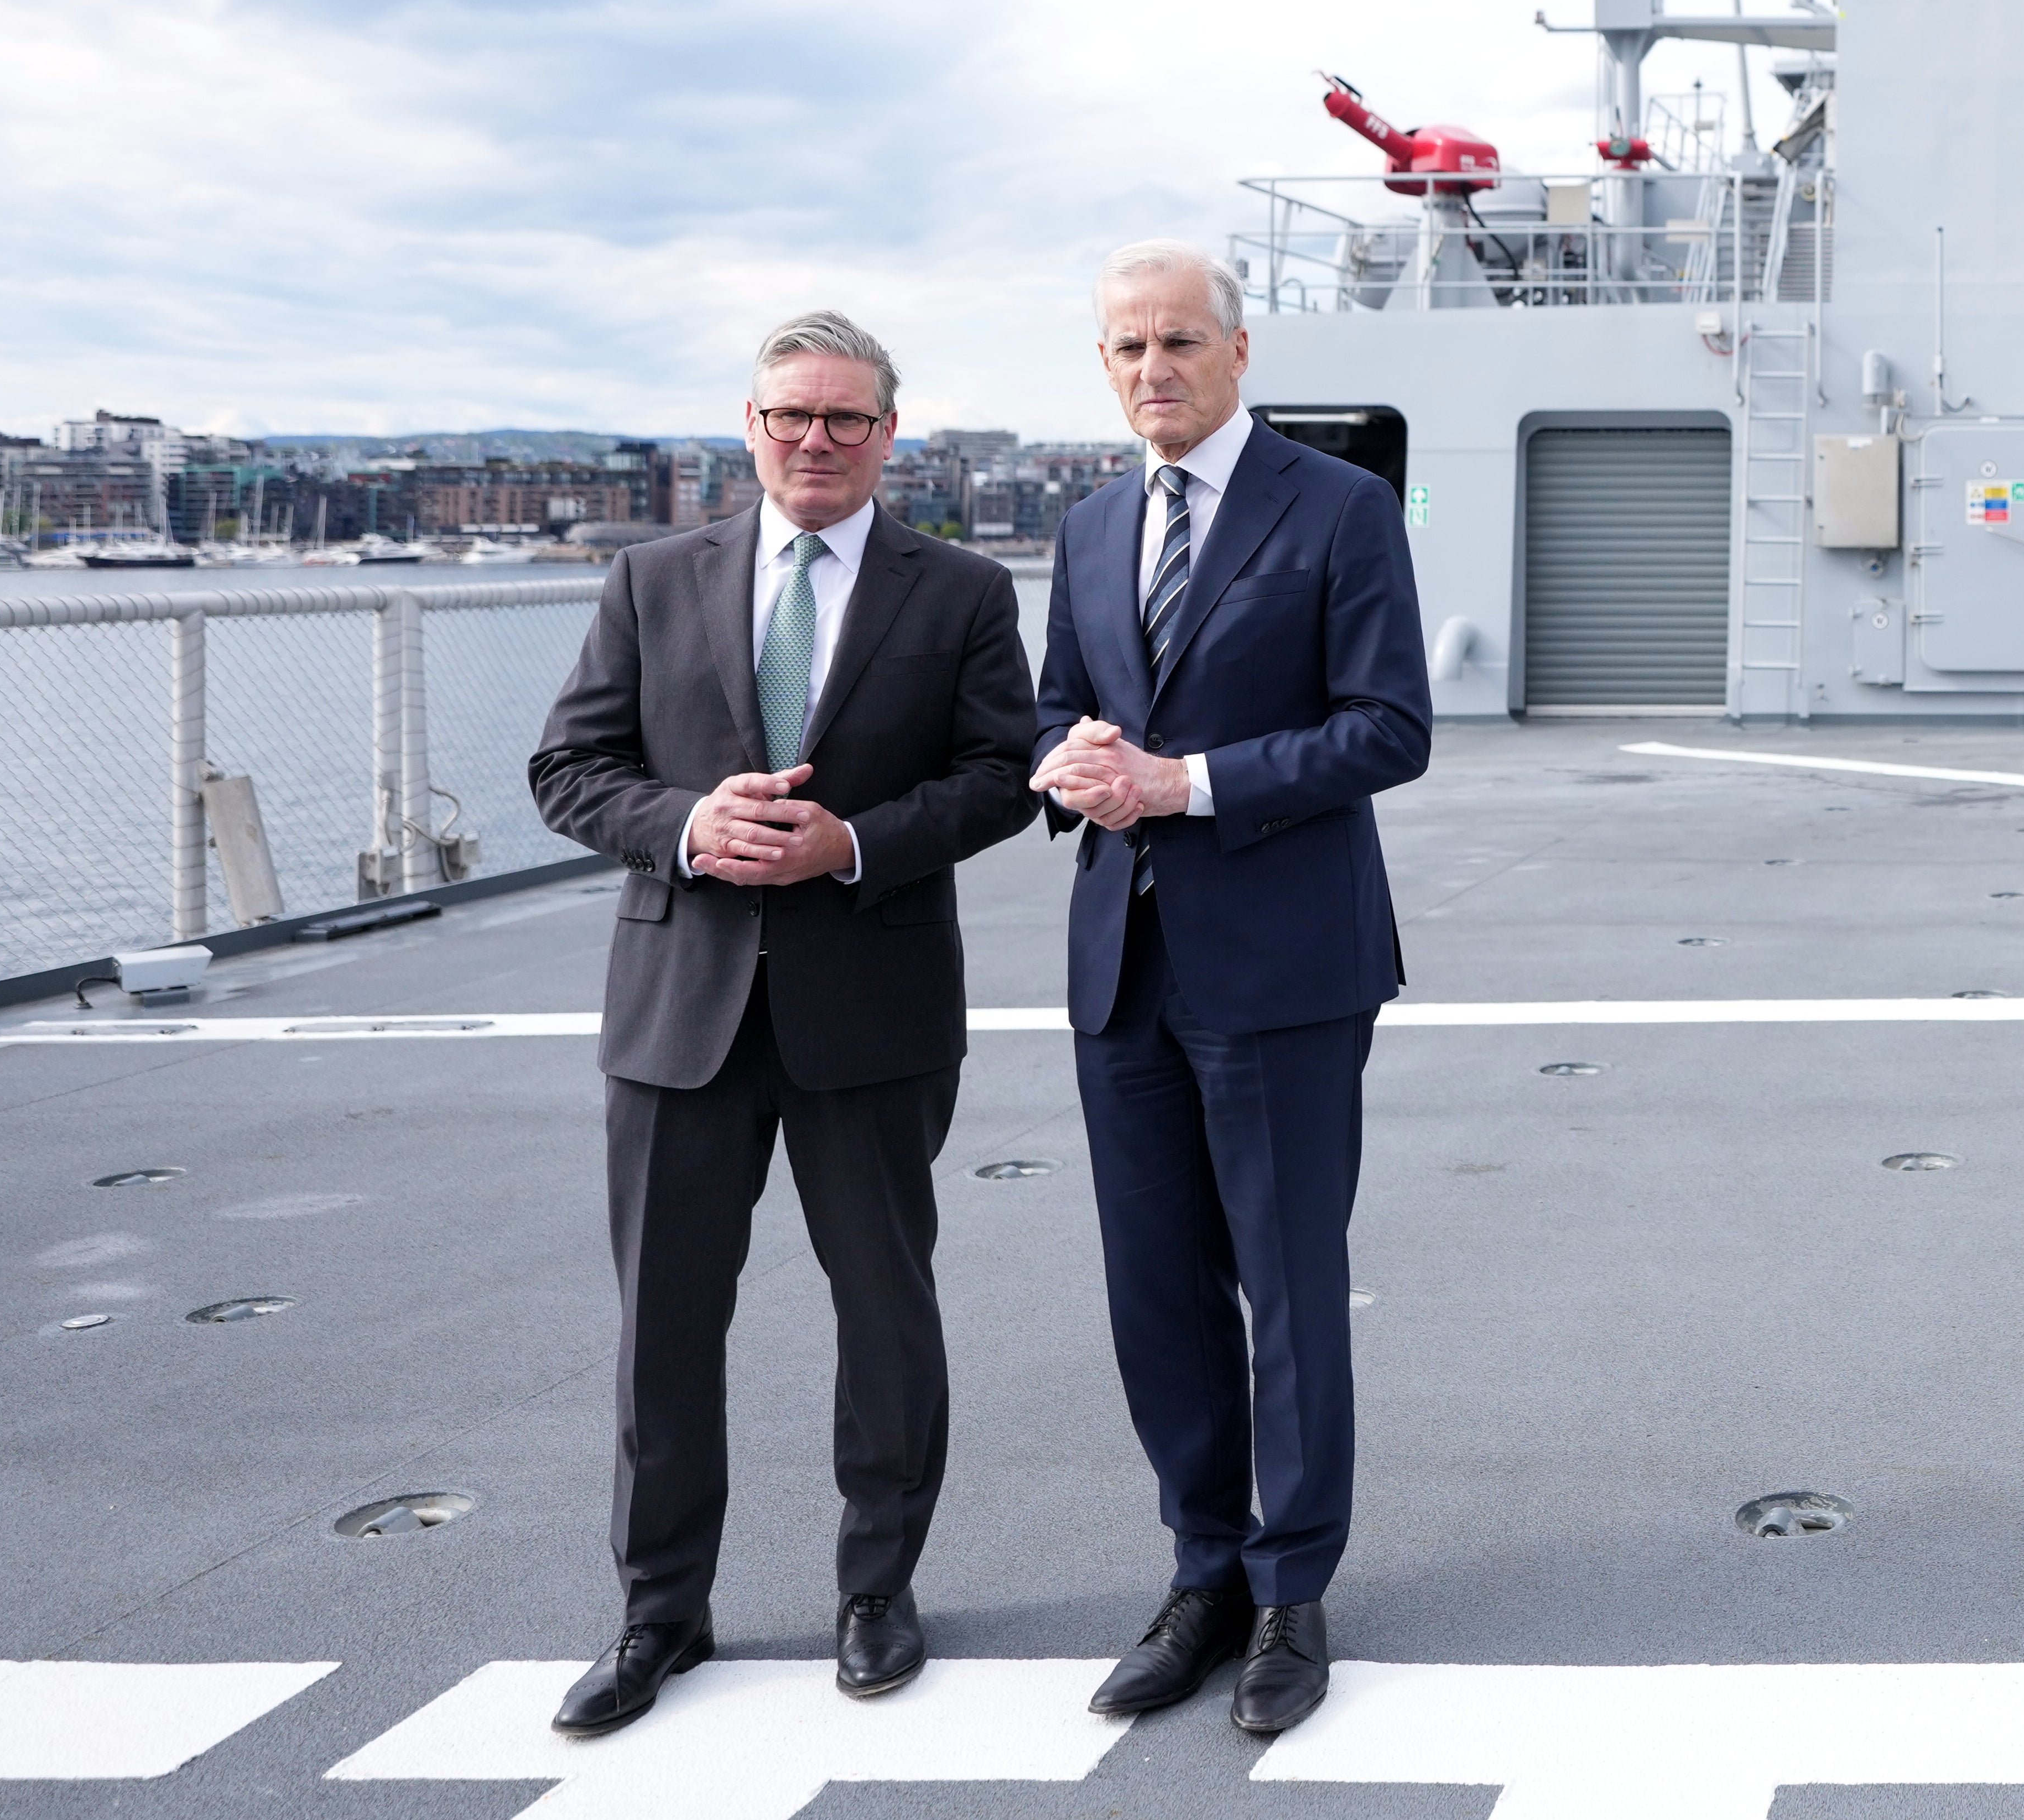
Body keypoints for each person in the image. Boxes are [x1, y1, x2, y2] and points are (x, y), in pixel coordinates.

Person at [529, 310, 1039, 1736]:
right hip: (679, 1005)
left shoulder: (960, 591)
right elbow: (570, 768)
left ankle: (877, 1590)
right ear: (747, 427)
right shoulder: (649, 577)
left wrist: (855, 843)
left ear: (892, 435)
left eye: (846, 418)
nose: (816, 439)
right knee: (664, 1326)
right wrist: (688, 821)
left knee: (884, 1310)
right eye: (790, 415)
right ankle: (657, 1610)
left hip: (870, 1004)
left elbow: (1005, 773)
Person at [1029, 239, 1432, 1738]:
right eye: (1128, 349)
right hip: (1123, 964)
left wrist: (1183, 782)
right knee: (1158, 1294)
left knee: (1288, 1287)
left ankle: (1291, 1591)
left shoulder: (1341, 509)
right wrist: (1060, 765)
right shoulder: (1087, 529)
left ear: (1241, 351)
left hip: (1285, 961)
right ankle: (1201, 1575)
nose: (1154, 371)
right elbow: (1058, 709)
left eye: (1180, 343)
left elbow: (1389, 730)